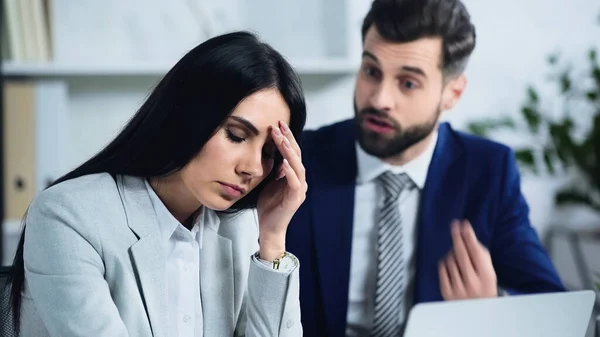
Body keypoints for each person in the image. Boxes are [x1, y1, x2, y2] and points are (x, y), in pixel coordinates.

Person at [285, 0, 566, 336]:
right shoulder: (303, 159)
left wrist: (494, 306)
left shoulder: (488, 171)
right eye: (371, 71)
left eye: (408, 83)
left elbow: (554, 310)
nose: (379, 100)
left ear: (452, 93)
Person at [7, 31, 307, 337]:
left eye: (269, 152)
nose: (252, 168)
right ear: (190, 115)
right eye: (236, 135)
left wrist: (272, 240)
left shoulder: (241, 227)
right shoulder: (67, 216)